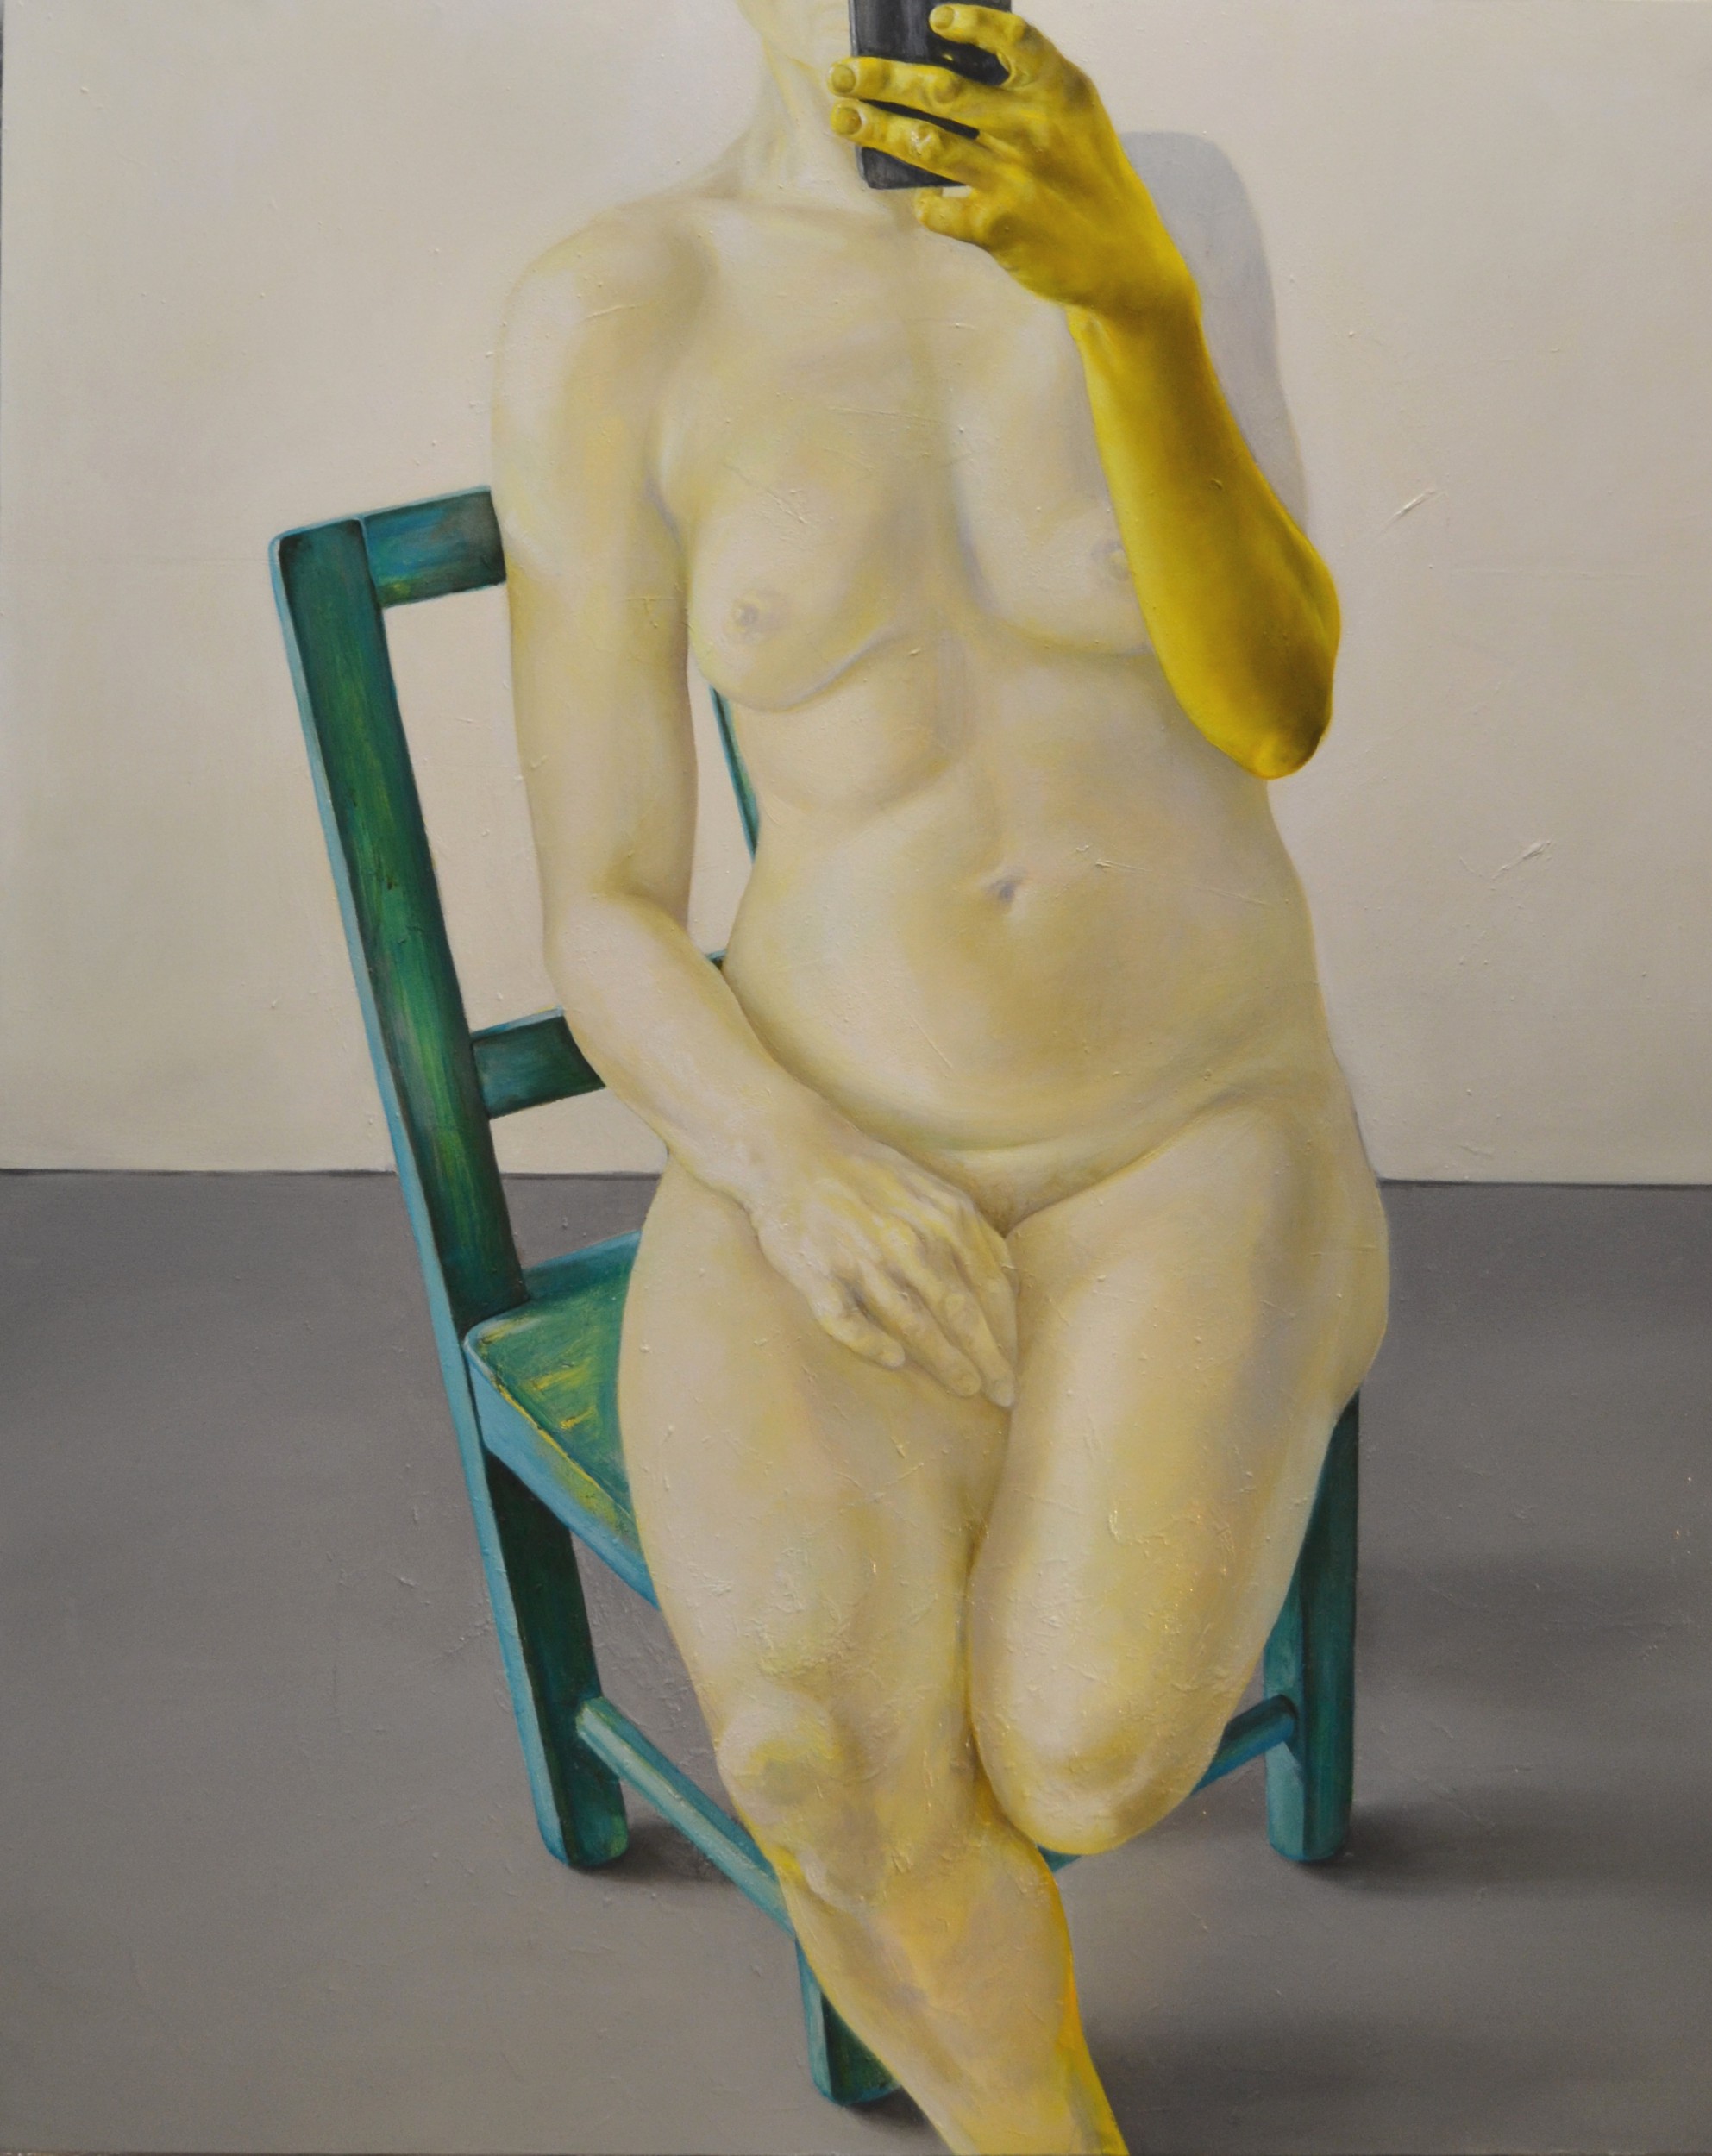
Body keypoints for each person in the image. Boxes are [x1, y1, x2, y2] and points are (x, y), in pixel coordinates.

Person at [492, 5, 1388, 2149]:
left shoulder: (1160, 207)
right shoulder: (620, 309)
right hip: (825, 1128)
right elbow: (602, 903)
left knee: (1082, 1751)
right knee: (808, 1752)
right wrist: (786, 1158)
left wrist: (1131, 307)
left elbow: (1276, 709)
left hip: (1191, 1123)